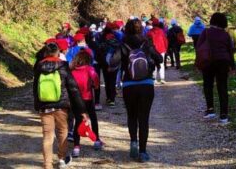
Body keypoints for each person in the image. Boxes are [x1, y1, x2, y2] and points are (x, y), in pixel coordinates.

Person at [109, 18, 162, 163]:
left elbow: (113, 62)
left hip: (129, 84)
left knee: (132, 115)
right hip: (146, 84)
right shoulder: (147, 43)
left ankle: (133, 142)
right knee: (143, 118)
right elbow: (159, 59)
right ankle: (143, 152)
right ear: (141, 29)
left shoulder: (123, 44)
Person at [34, 41, 88, 169]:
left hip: (45, 106)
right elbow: (73, 88)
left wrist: (38, 105)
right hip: (61, 106)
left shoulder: (39, 67)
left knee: (47, 136)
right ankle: (62, 159)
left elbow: (35, 88)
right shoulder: (63, 66)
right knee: (63, 132)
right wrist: (82, 109)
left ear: (45, 53)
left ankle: (47, 164)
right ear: (58, 53)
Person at [196, 12, 236, 124]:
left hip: (208, 62)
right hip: (223, 62)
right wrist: (232, 67)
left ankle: (210, 110)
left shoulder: (206, 32)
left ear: (212, 21)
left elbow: (199, 48)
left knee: (208, 85)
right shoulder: (226, 34)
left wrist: (198, 64)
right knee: (222, 87)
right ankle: (224, 115)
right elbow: (230, 51)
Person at [70, 50, 103, 156]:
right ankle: (96, 140)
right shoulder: (90, 69)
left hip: (76, 100)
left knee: (78, 121)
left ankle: (76, 147)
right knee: (93, 118)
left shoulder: (72, 71)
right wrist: (95, 86)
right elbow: (96, 80)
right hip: (87, 98)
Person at [147, 19, 168, 84]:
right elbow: (165, 40)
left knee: (154, 64)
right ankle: (162, 78)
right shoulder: (161, 31)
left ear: (152, 24)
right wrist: (166, 48)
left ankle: (154, 79)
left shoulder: (149, 32)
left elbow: (146, 42)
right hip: (161, 49)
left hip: (153, 50)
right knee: (161, 64)